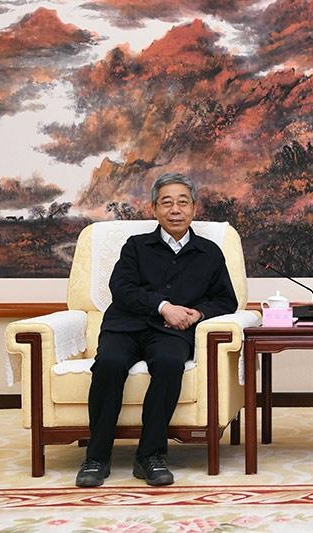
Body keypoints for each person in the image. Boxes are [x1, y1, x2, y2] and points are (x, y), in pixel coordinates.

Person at [75, 173, 238, 487]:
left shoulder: (210, 253)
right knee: (109, 363)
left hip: (171, 333)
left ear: (194, 208)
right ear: (154, 209)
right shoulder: (136, 246)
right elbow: (121, 288)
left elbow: (226, 300)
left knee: (169, 363)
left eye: (183, 202)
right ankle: (96, 458)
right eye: (167, 203)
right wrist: (163, 306)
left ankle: (150, 456)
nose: (175, 209)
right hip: (125, 326)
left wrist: (198, 313)